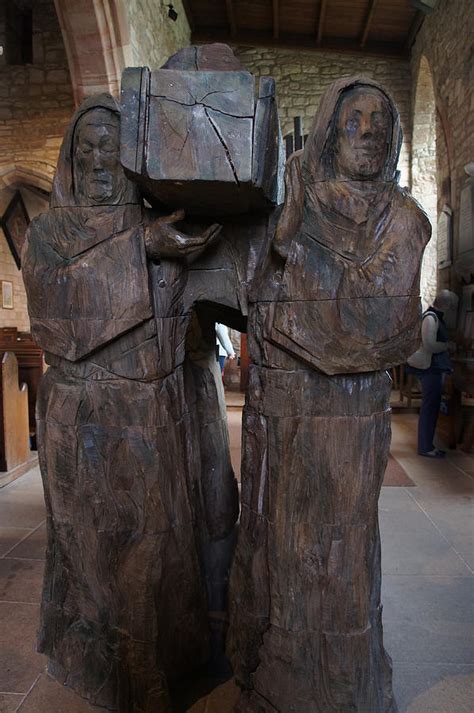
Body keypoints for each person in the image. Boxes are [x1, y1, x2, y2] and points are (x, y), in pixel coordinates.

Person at [227, 78, 430, 713]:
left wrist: (296, 237)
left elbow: (378, 317)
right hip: (287, 408)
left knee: (340, 554)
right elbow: (256, 296)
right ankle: (277, 675)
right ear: (329, 132)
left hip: (351, 414)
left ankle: (342, 686)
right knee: (283, 547)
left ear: (392, 137)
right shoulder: (299, 204)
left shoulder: (403, 220)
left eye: (379, 121)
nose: (367, 130)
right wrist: (285, 230)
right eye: (353, 120)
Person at [22, 94, 223, 713]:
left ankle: (154, 657)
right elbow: (58, 314)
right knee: (88, 547)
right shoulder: (50, 231)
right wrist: (142, 248)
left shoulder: (160, 219)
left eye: (113, 148)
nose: (100, 161)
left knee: (154, 543)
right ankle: (104, 662)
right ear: (71, 159)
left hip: (148, 408)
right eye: (87, 149)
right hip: (78, 411)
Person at [407, 289, 458, 458]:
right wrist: (447, 346)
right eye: (452, 306)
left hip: (433, 368)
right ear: (447, 305)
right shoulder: (431, 317)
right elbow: (429, 344)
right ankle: (425, 447)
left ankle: (427, 445)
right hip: (430, 369)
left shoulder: (434, 317)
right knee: (429, 408)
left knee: (431, 407)